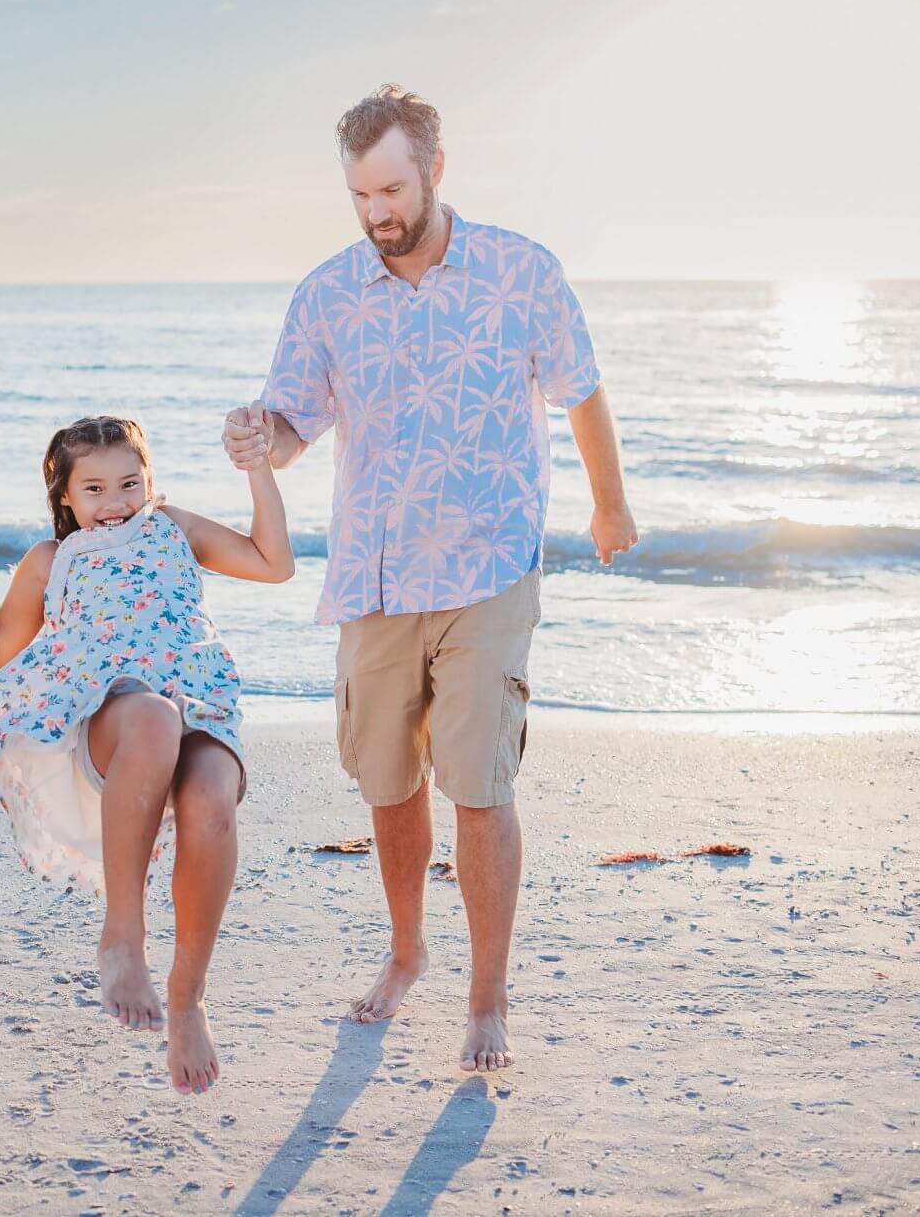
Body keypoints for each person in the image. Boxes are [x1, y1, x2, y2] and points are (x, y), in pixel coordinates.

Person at [224, 86, 637, 1072]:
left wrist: (607, 503)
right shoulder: (326, 294)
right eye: (360, 194)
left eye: (391, 188)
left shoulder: (518, 270)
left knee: (477, 785)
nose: (376, 212)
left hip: (489, 561)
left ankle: (485, 997)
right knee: (385, 781)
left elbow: (579, 390)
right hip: (372, 574)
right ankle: (407, 949)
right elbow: (290, 423)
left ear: (435, 170)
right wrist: (257, 435)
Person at [0, 415, 293, 1094]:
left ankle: (188, 995)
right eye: (95, 487)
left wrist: (258, 468)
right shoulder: (52, 558)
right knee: (153, 720)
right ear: (65, 495)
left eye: (131, 482)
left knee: (212, 803)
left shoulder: (174, 529)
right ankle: (123, 933)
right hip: (115, 718)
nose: (116, 500)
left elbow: (275, 563)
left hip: (201, 699)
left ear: (150, 480)